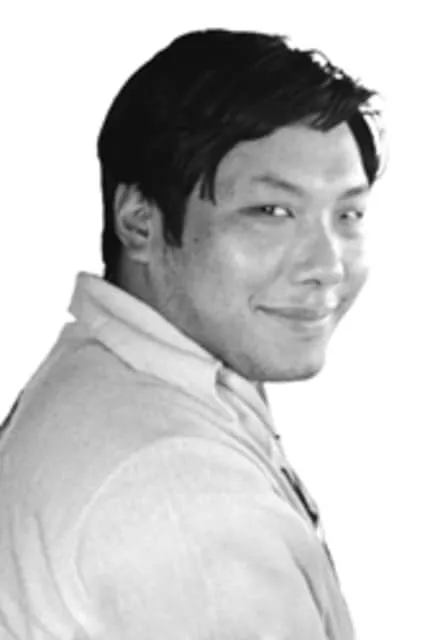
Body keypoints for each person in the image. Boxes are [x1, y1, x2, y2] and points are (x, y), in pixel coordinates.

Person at [0, 28, 386, 640]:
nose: (328, 265)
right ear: (140, 221)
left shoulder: (111, 381)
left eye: (348, 214)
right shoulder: (178, 483)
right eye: (272, 211)